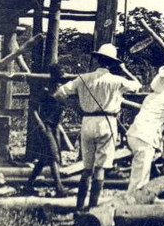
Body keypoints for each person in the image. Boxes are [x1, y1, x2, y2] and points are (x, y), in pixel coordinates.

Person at [54, 43, 140, 212]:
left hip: (87, 122)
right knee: (100, 168)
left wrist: (77, 108)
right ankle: (92, 208)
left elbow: (59, 94)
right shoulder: (117, 80)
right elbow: (137, 85)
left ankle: (79, 206)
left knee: (87, 168)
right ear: (112, 63)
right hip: (107, 122)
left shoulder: (83, 79)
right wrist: (124, 70)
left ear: (98, 59)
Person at [125, 65, 164, 191]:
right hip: (145, 138)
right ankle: (131, 206)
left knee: (142, 171)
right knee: (140, 178)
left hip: (134, 134)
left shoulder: (149, 97)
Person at [24, 65, 68, 196]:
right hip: (44, 126)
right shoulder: (44, 91)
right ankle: (59, 188)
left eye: (62, 77)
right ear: (53, 76)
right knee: (54, 156)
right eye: (59, 76)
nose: (60, 79)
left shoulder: (62, 92)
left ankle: (28, 184)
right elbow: (33, 109)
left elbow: (62, 111)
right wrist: (41, 126)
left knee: (44, 158)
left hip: (55, 127)